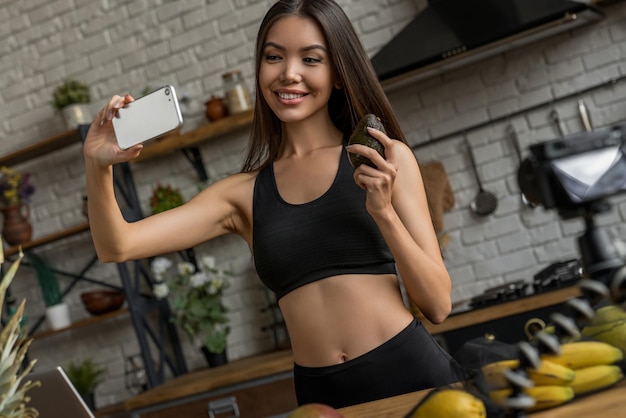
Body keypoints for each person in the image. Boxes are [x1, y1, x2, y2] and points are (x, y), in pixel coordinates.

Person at [83, 0, 464, 409]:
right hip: (322, 399)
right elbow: (116, 246)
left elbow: (438, 305)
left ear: (337, 73)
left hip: (411, 377)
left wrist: (384, 213)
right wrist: (96, 164)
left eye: (311, 58)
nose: (289, 73)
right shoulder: (242, 195)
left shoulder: (383, 159)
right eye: (274, 56)